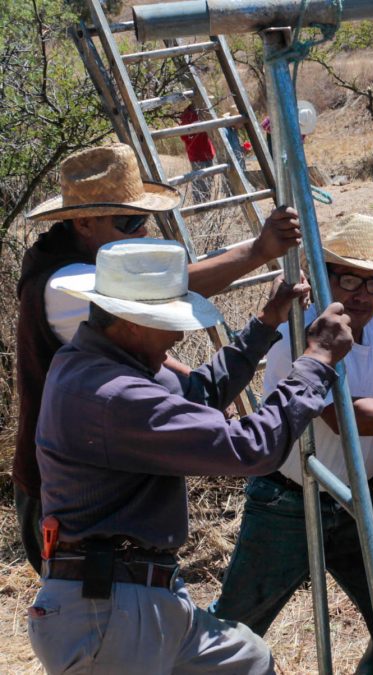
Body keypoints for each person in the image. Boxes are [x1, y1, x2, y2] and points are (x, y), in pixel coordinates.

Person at [28, 238, 354, 674]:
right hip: (107, 612)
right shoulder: (112, 394)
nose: (180, 335)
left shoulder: (101, 363)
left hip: (138, 598)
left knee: (250, 662)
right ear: (130, 322)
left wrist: (266, 322)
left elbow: (199, 394)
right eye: (168, 322)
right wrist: (317, 361)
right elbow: (250, 448)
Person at [14, 142, 302, 575]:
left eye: (142, 220)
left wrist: (264, 319)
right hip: (69, 504)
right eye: (129, 221)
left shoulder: (85, 283)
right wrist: (258, 251)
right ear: (86, 223)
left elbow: (199, 391)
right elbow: (165, 291)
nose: (142, 234)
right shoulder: (67, 285)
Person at [212, 214, 373, 675]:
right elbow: (343, 415)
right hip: (288, 504)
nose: (361, 293)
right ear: (322, 275)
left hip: (358, 501)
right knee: (232, 632)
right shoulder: (299, 335)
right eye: (348, 278)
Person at [180, 103, 217, 202]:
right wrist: (194, 129)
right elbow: (183, 136)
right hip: (196, 154)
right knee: (199, 181)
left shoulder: (204, 112)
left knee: (209, 180)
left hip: (208, 152)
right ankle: (199, 205)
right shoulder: (187, 115)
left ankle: (207, 203)